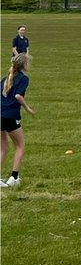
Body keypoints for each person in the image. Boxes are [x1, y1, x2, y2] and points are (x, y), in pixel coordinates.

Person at [1, 54, 34, 187]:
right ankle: (14, 177)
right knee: (20, 146)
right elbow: (18, 95)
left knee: (2, 148)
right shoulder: (23, 79)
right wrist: (28, 109)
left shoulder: (4, 79)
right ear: (24, 65)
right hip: (10, 116)